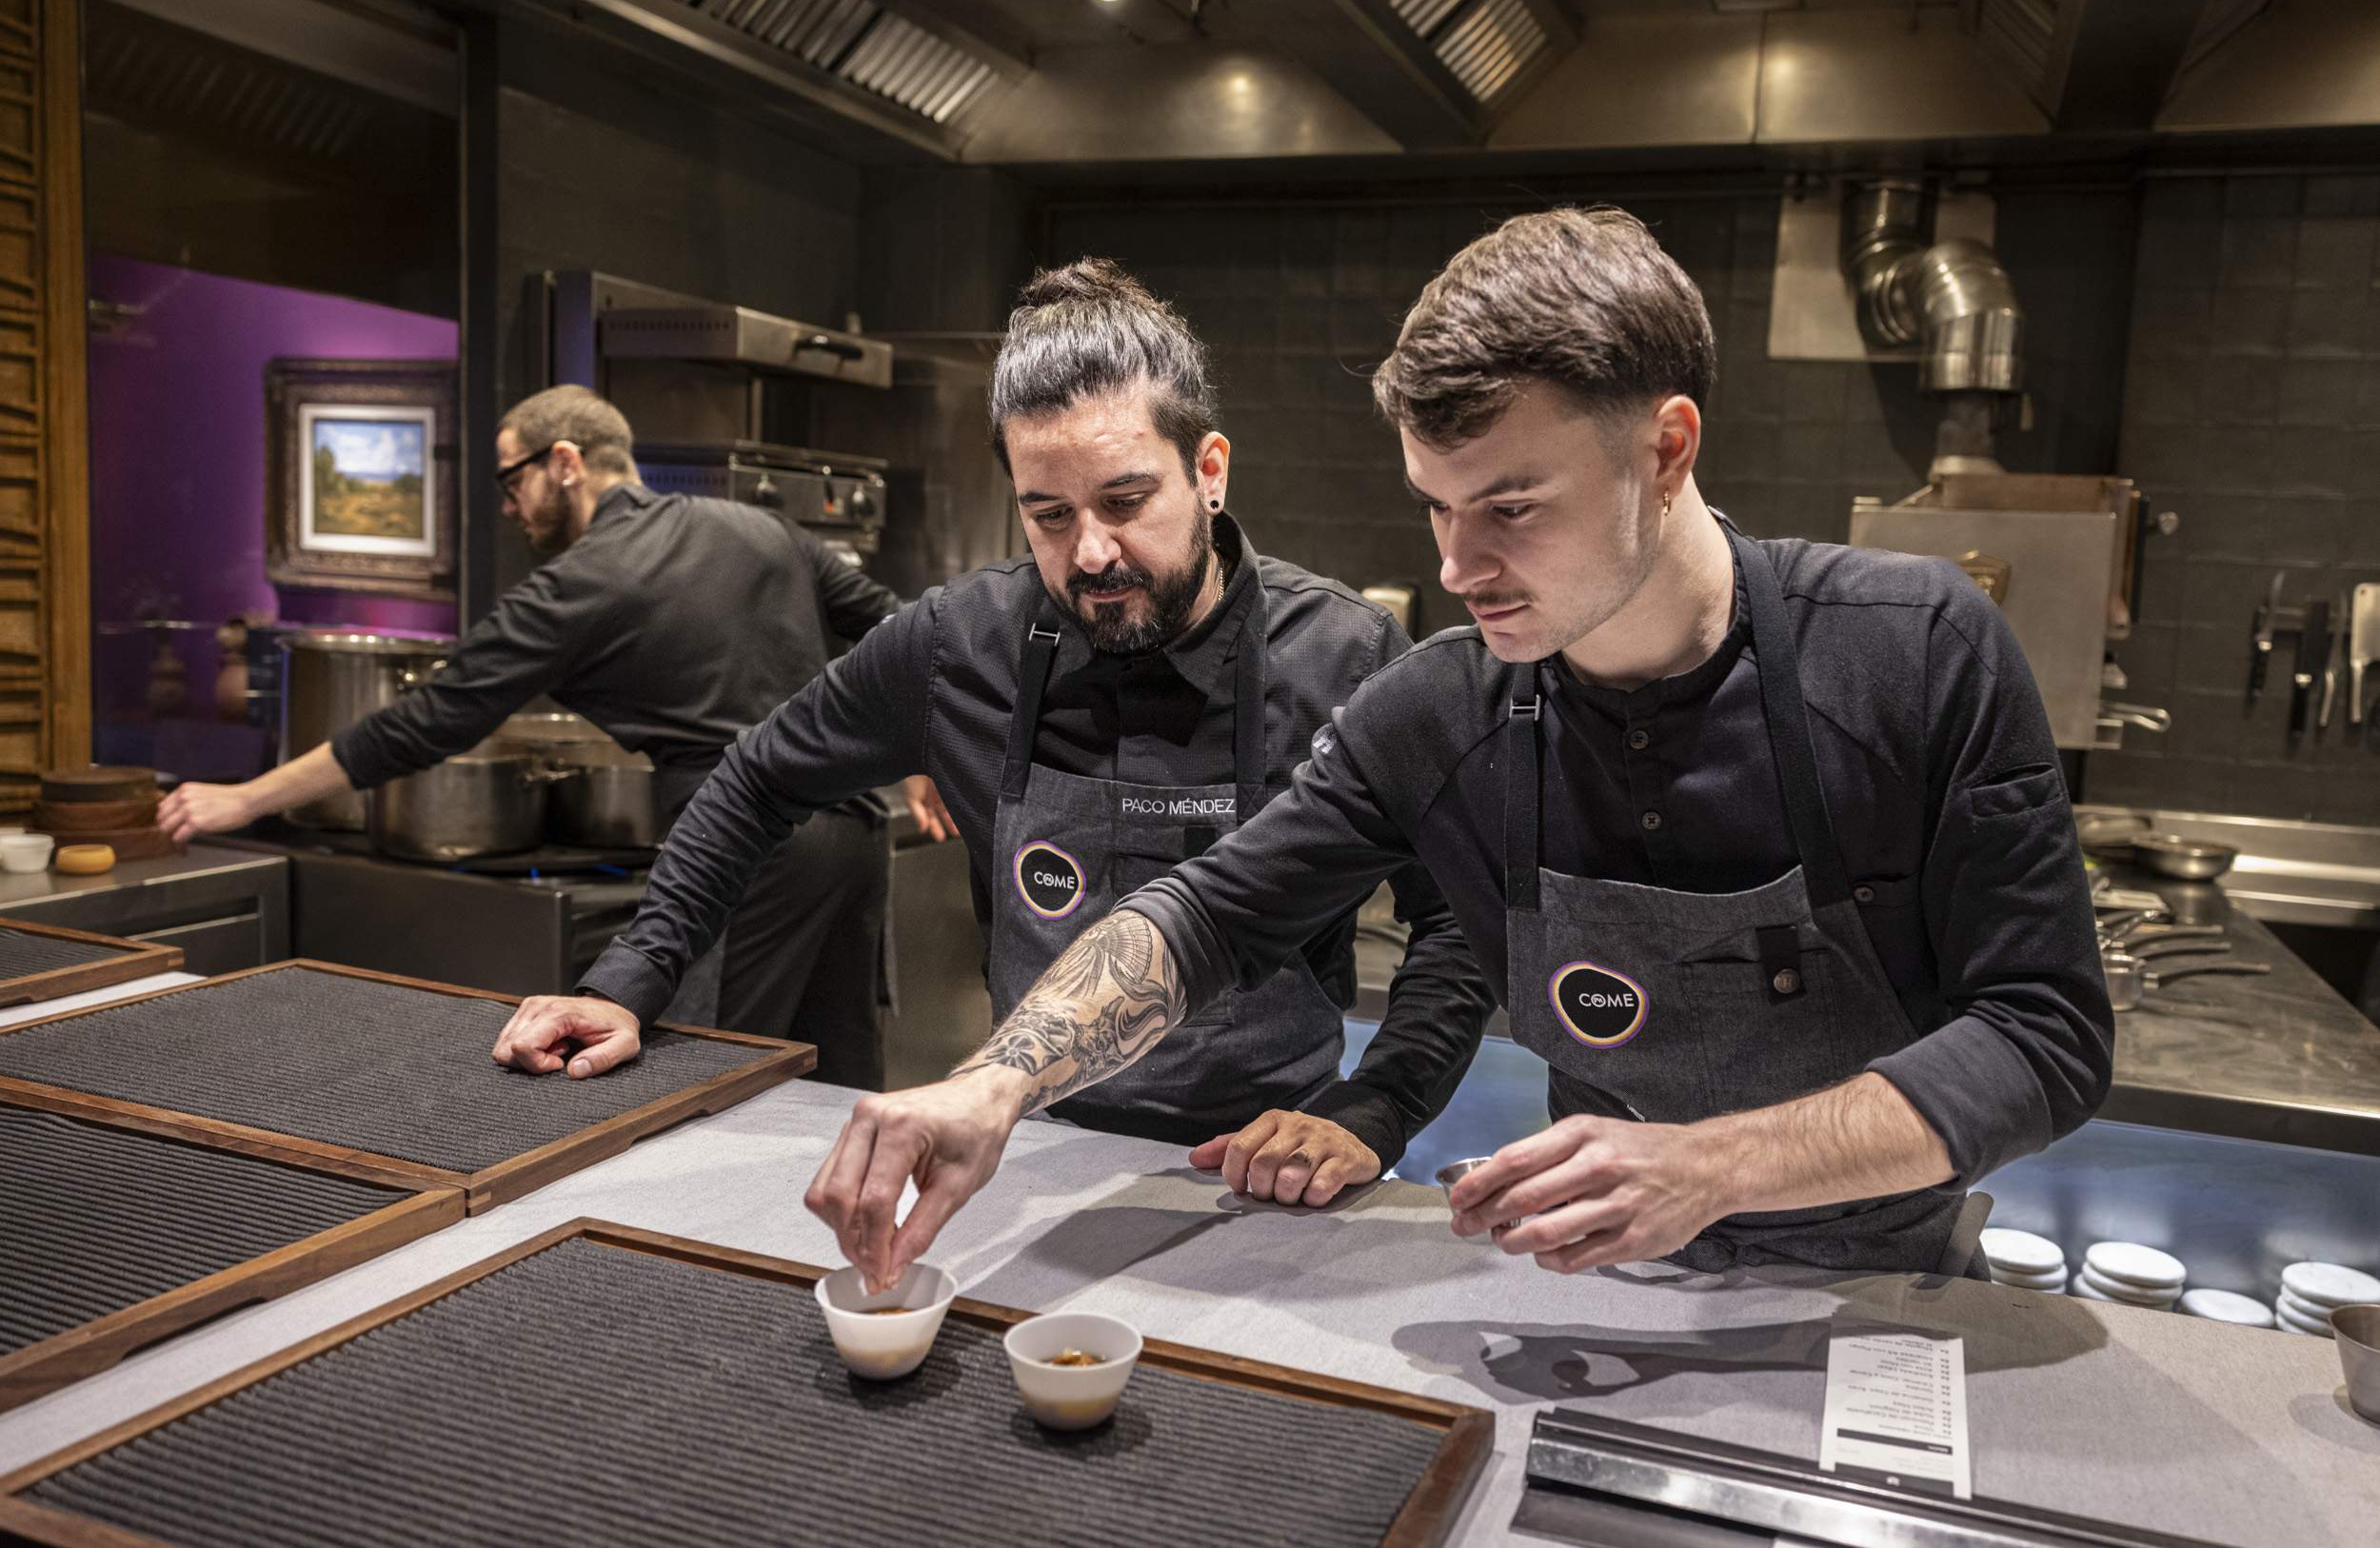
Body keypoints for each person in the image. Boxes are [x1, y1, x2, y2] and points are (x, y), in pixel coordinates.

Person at [803, 208, 2115, 1291]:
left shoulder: (1912, 651)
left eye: (1510, 507)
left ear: (1665, 449)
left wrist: (1713, 1163)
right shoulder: (1447, 708)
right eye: (1435, 506)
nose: (1457, 567)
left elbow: (2045, 1032)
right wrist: (990, 1087)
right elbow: (1209, 914)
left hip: (1894, 1294)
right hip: (1599, 1283)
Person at [489, 261, 1495, 1204]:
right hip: (1019, 1142)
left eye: (1126, 500)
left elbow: (1455, 912)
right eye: (1047, 514)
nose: (1091, 551)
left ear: (1210, 469)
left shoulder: (1346, 655)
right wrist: (632, 979)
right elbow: (757, 777)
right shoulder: (959, 641)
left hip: (1260, 1163)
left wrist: (1376, 1104)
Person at [159, 385, 909, 1086]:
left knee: (716, 1089)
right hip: (856, 836)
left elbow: (426, 720)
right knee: (834, 1092)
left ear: (566, 463)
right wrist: (915, 756)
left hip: (746, 861)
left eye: (511, 481)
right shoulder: (762, 528)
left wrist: (246, 799)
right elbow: (900, 630)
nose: (511, 507)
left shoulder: (579, 584)